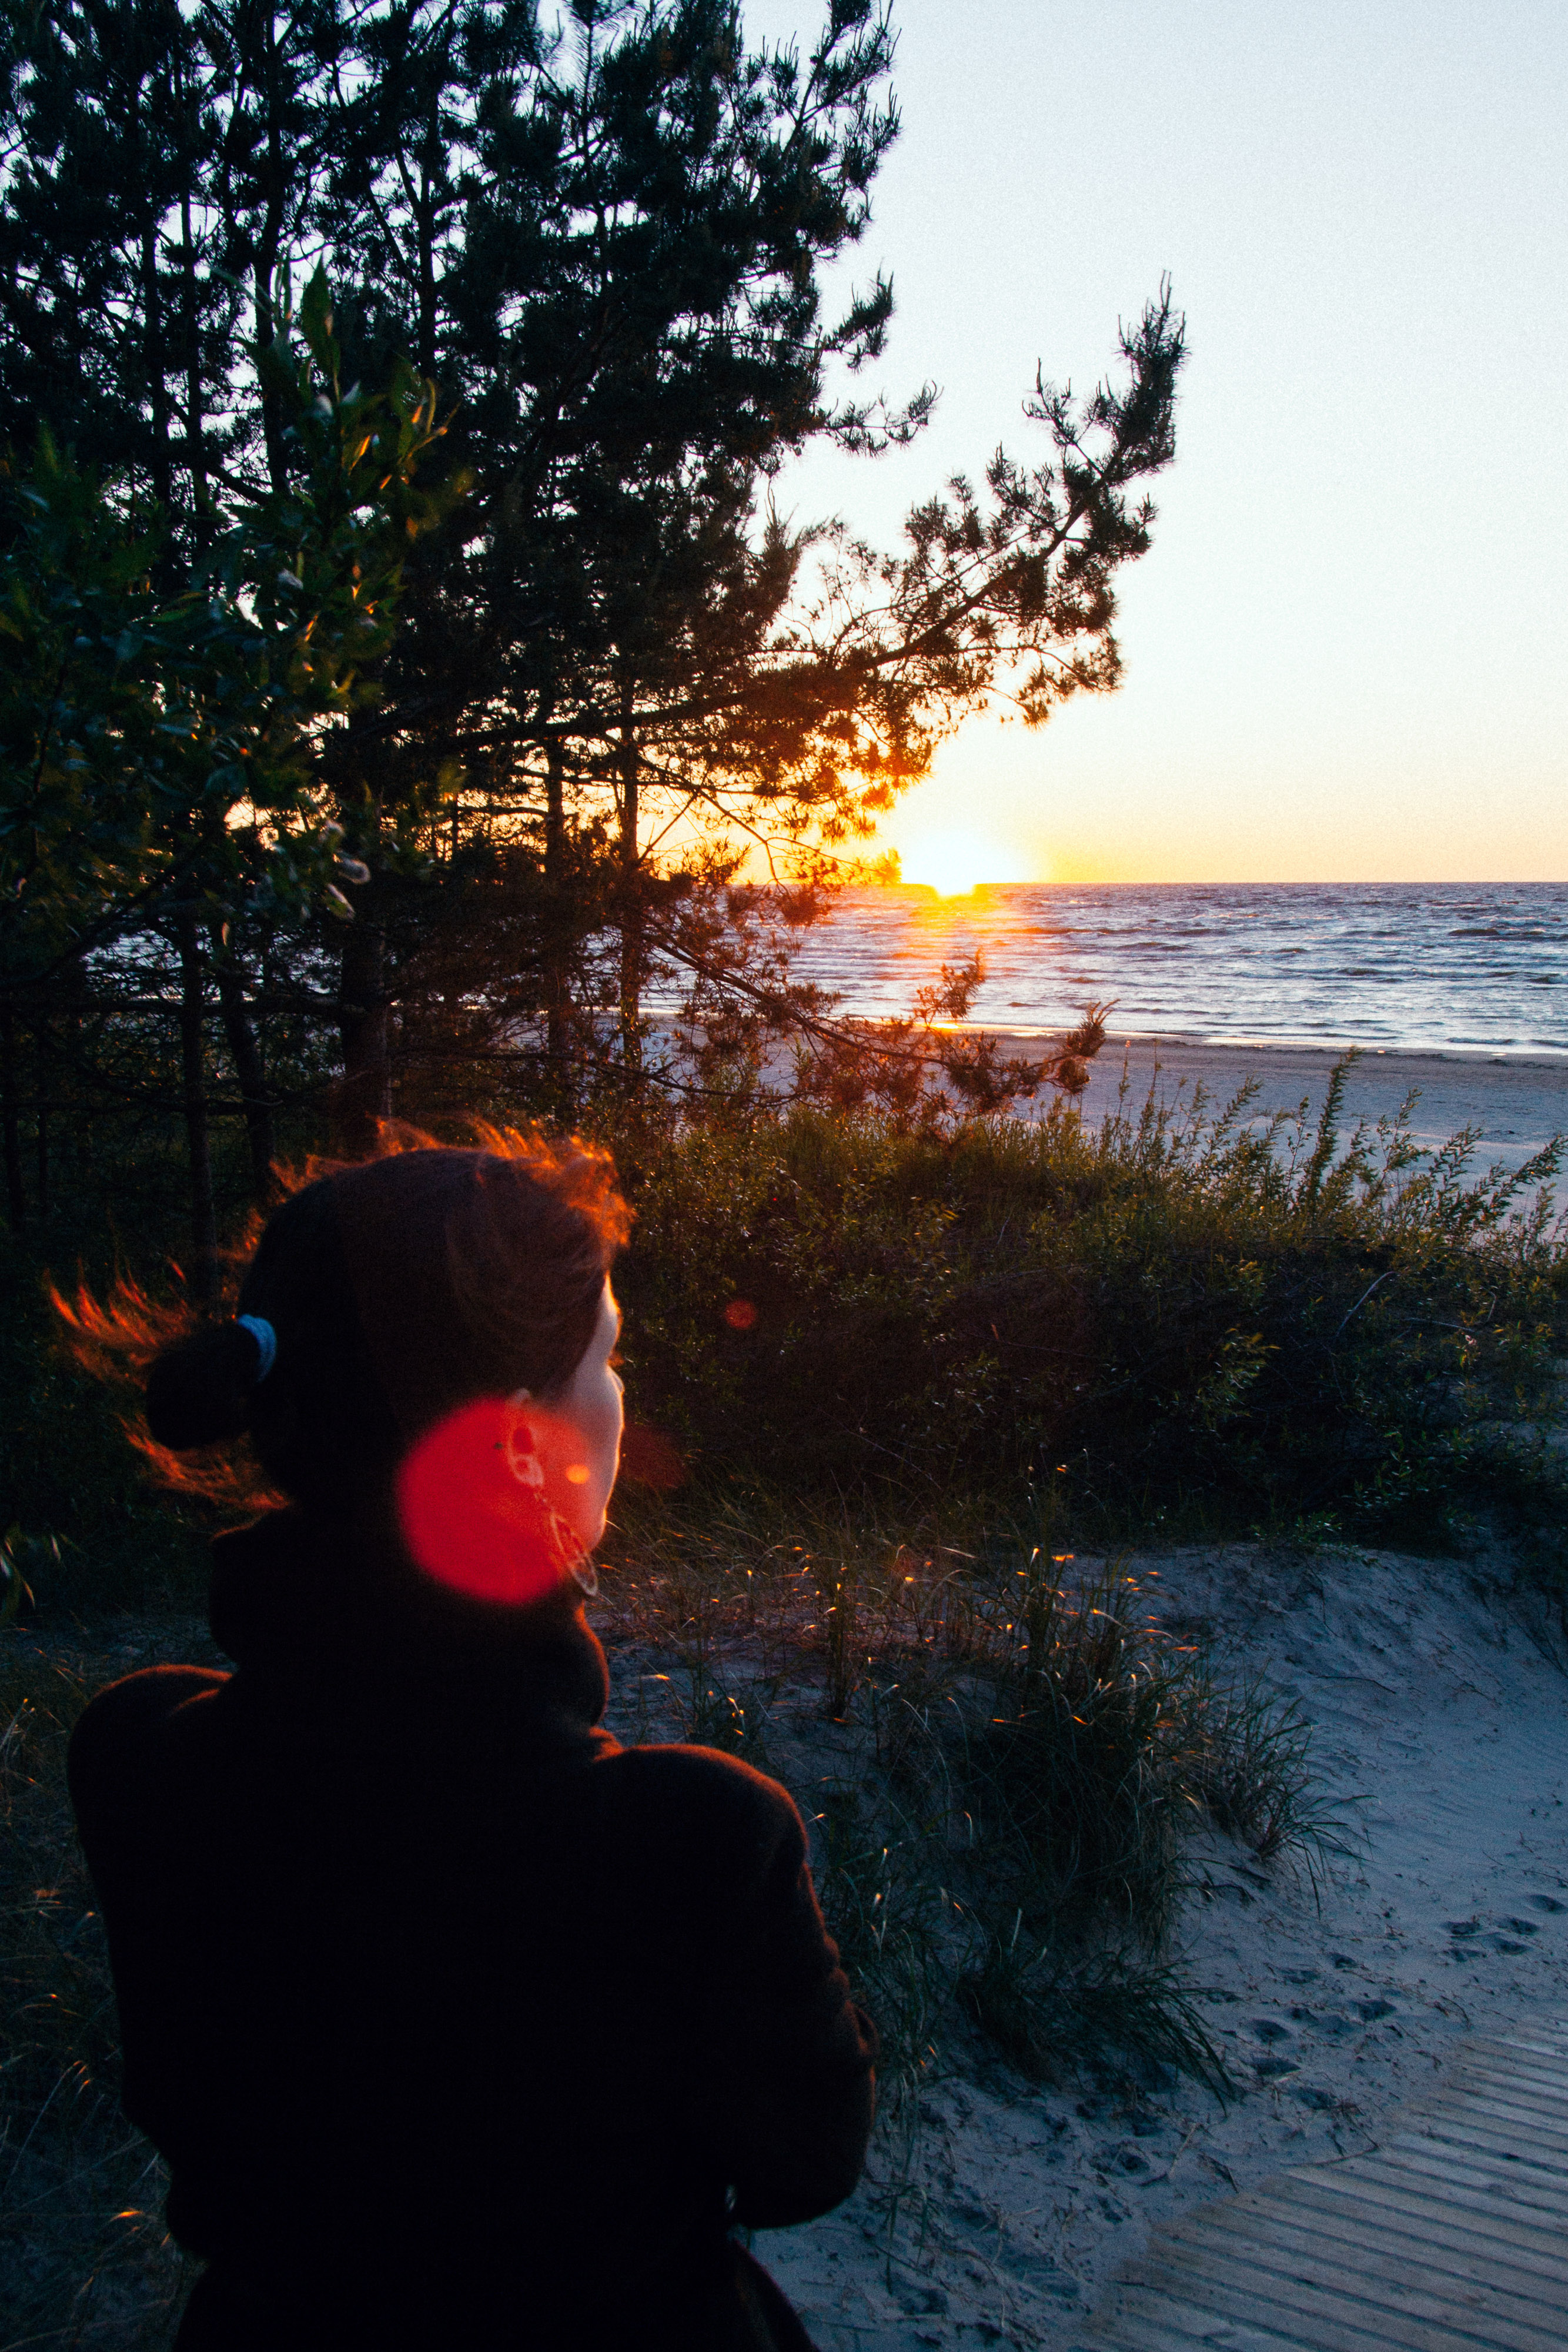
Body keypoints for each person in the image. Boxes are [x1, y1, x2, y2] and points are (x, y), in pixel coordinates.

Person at [67, 1138, 878, 2351]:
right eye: (610, 1359)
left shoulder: (139, 1753)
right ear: (520, 1434)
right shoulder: (695, 1834)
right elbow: (802, 2167)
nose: (623, 1399)